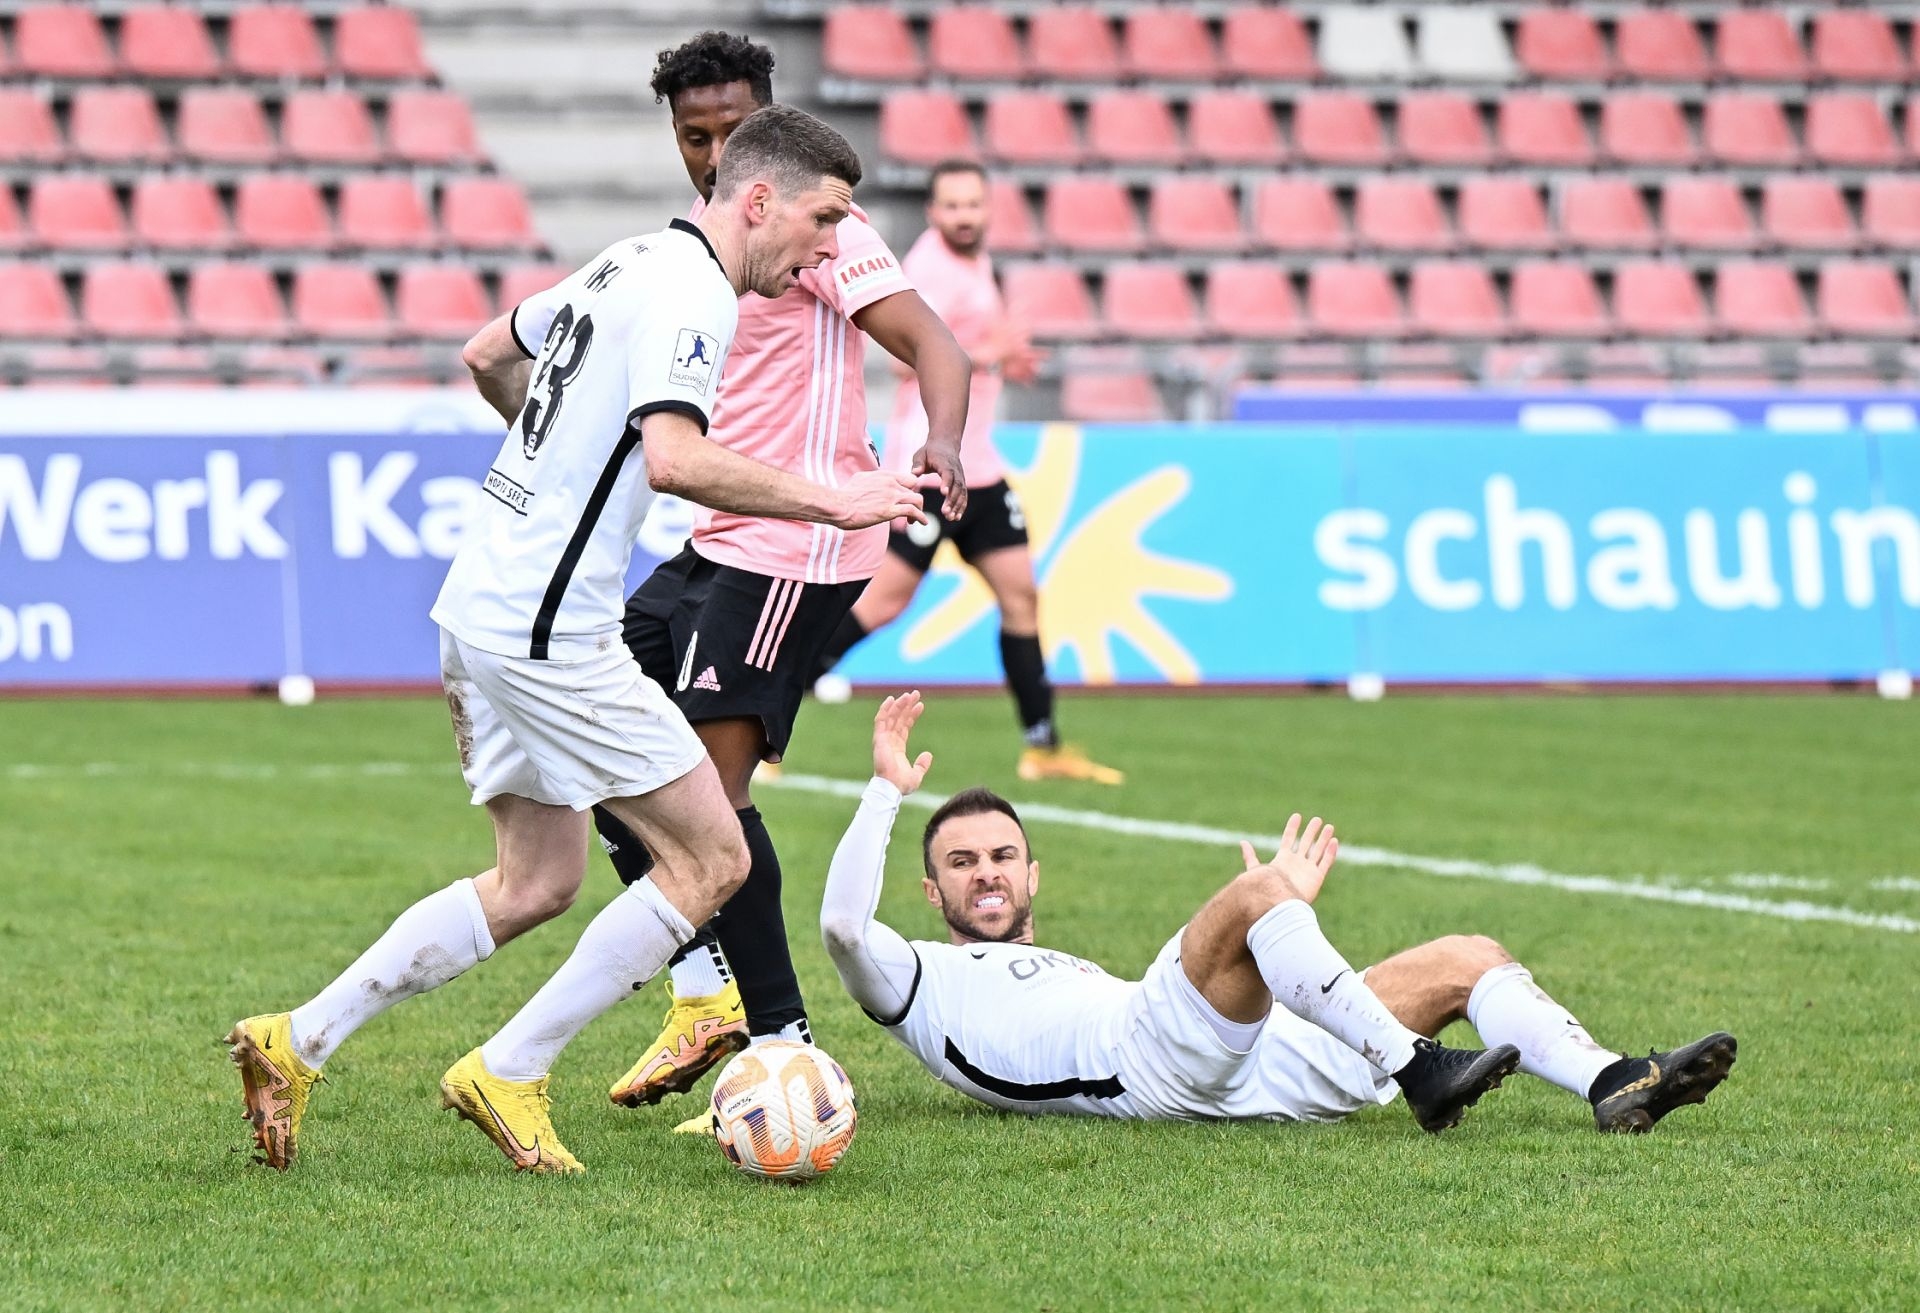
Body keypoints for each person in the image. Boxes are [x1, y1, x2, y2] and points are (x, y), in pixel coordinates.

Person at [224, 106, 924, 1175]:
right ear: (759, 199)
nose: (830, 246)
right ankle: (511, 1066)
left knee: (535, 879)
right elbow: (677, 458)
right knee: (716, 857)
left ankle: (297, 1038)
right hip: (552, 630)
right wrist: (837, 498)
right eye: (824, 219)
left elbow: (487, 352)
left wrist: (556, 464)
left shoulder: (626, 260)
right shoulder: (696, 292)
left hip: (480, 606)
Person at [587, 33, 976, 1127]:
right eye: (694, 135)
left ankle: (782, 1042)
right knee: (588, 728)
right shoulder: (697, 243)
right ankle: (704, 992)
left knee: (710, 801)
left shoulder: (823, 230)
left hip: (794, 550)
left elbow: (936, 346)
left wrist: (941, 440)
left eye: (733, 131)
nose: (715, 154)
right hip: (717, 540)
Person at [821, 693, 1739, 1133]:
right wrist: (886, 788)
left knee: (1466, 955)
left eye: (1001, 857)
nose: (986, 875)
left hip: (1241, 1070)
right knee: (1260, 894)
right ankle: (1421, 1069)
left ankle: (1610, 1081)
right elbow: (842, 929)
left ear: (1033, 875)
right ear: (932, 893)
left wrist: (1275, 932)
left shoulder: (1067, 967)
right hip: (1140, 1062)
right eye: (962, 864)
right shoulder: (920, 978)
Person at [808, 161, 1123, 787]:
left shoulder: (976, 264)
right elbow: (906, 364)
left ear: (988, 208)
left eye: (973, 204)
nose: (964, 216)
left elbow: (970, 354)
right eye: (952, 206)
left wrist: (1001, 363)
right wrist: (991, 355)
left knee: (1021, 596)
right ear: (932, 212)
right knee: (882, 604)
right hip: (928, 467)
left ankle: (1042, 746)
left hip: (979, 470)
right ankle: (769, 713)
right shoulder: (929, 268)